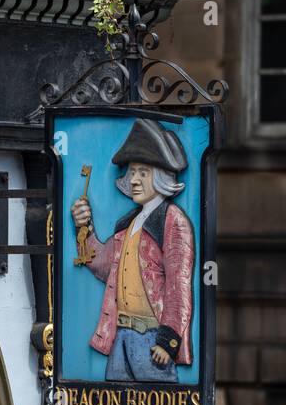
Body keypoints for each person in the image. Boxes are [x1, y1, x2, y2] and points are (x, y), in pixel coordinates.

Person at [70, 118, 195, 383]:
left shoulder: (173, 220)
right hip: (121, 336)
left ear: (160, 176)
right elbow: (105, 266)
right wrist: (86, 228)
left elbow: (178, 287)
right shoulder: (127, 224)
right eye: (132, 172)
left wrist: (168, 340)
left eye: (143, 173)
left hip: (152, 340)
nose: (134, 180)